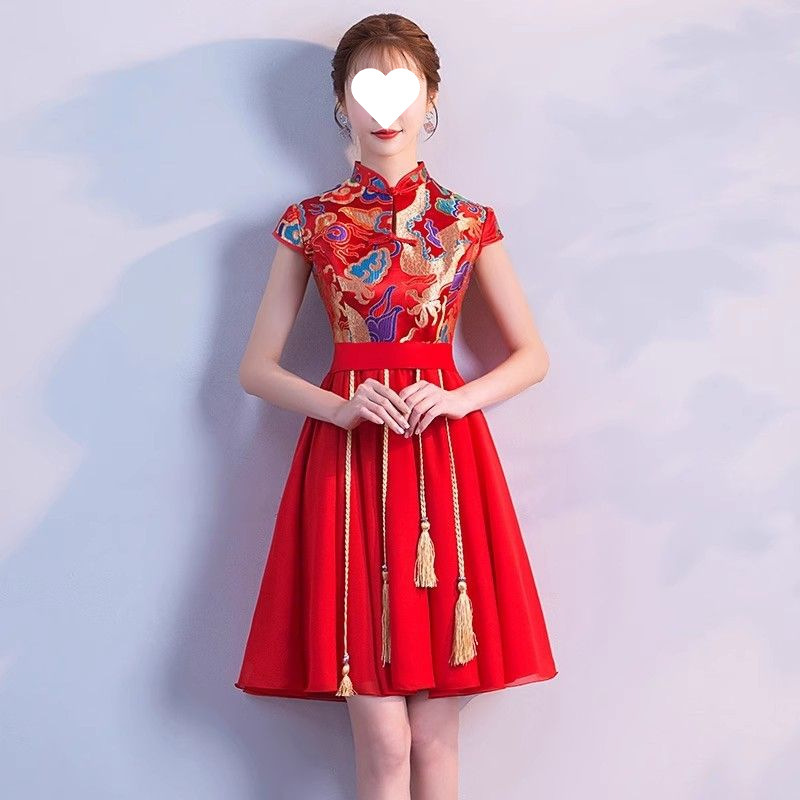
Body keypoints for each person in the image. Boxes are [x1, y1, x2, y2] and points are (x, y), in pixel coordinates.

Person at [234, 12, 557, 799]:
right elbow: (255, 370)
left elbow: (532, 357)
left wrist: (456, 397)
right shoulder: (311, 222)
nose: (386, 108)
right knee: (383, 742)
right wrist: (338, 407)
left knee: (436, 739)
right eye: (366, 87)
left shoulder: (467, 222)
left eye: (403, 87)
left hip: (445, 466)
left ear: (431, 100)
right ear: (341, 103)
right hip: (346, 467)